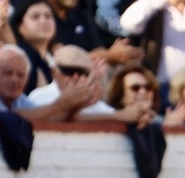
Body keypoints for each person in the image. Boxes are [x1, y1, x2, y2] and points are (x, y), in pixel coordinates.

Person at [28, 44, 157, 126]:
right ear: (54, 72)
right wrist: (119, 116)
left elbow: (124, 116)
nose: (76, 77)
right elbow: (50, 120)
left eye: (82, 72)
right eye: (69, 71)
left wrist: (139, 115)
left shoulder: (94, 101)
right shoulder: (40, 96)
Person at [41, 0, 144, 66]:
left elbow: (97, 48)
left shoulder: (79, 14)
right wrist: (110, 55)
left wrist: (115, 54)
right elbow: (61, 59)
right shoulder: (34, 14)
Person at [0, 44, 94, 120]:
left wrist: (74, 107)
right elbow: (5, 118)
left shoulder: (20, 100)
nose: (14, 79)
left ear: (27, 79)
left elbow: (47, 119)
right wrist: (60, 105)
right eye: (8, 73)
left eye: (20, 75)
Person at [11, 0, 57, 95]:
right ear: (20, 26)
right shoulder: (19, 57)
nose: (44, 21)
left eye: (48, 16)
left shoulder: (55, 59)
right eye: (35, 17)